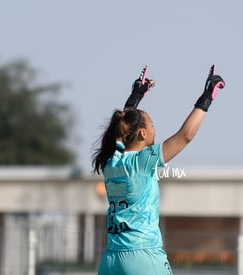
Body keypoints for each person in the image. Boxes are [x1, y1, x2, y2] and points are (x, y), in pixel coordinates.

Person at [92, 65, 225, 275]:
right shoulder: (143, 161)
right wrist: (207, 97)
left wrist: (136, 94)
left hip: (111, 260)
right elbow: (185, 136)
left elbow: (123, 125)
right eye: (152, 126)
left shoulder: (111, 160)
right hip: (142, 258)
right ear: (143, 133)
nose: (156, 129)